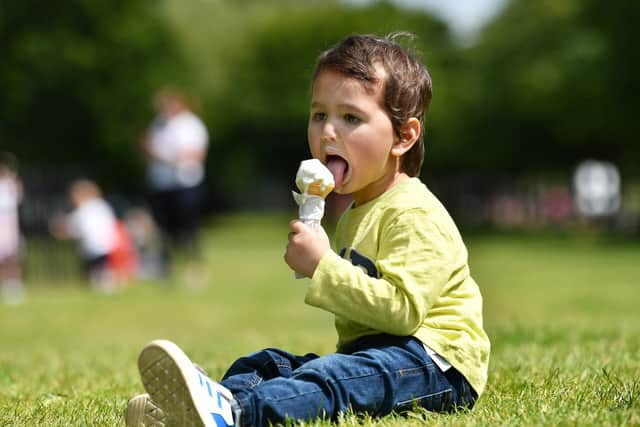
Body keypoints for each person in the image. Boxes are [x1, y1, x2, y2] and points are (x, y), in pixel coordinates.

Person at [125, 33, 490, 427]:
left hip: (434, 364)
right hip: (371, 356)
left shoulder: (413, 213)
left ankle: (235, 414)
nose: (328, 132)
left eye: (351, 118)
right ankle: (204, 403)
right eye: (319, 115)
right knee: (266, 363)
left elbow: (402, 313)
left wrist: (323, 264)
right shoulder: (354, 212)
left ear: (403, 137)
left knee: (329, 380)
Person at [143, 87, 209, 265]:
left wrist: (168, 157)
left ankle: (192, 260)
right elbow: (149, 147)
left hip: (185, 182)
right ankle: (167, 263)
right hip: (162, 183)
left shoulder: (191, 124)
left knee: (188, 226)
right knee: (164, 227)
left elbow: (196, 154)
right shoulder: (157, 124)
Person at [49, 179, 136, 291]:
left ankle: (103, 287)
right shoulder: (102, 206)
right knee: (104, 271)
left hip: (93, 248)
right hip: (109, 245)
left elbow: (73, 229)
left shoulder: (83, 211)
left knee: (96, 274)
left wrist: (59, 230)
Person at [0, 152, 25, 305]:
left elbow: (18, 197)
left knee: (13, 256)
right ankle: (4, 284)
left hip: (10, 225)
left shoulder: (11, 185)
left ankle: (14, 284)